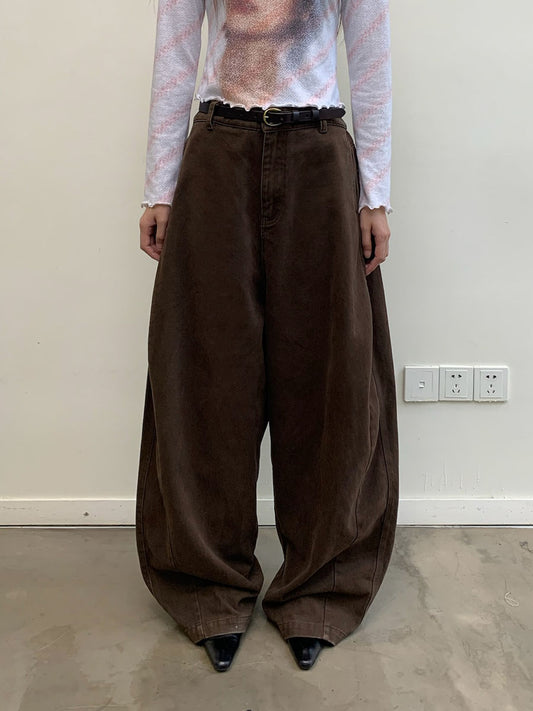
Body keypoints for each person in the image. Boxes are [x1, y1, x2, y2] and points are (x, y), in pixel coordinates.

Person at [135, 0, 399, 673]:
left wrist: (373, 196)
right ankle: (209, 586)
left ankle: (320, 589)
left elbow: (370, 59)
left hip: (319, 155)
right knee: (205, 372)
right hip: (217, 152)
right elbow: (175, 53)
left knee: (330, 376)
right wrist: (160, 188)